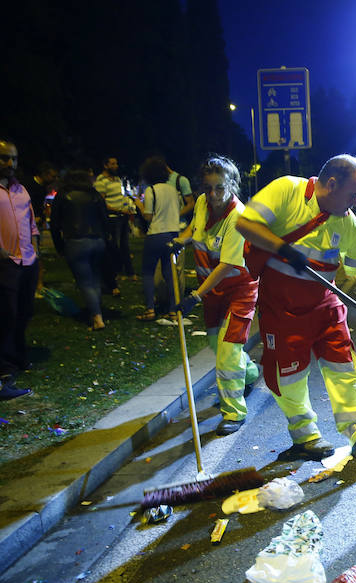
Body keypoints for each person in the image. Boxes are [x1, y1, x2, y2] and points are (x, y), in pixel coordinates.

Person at [236, 154, 356, 461]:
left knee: (344, 365)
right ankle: (305, 436)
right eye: (354, 195)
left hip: (324, 304)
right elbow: (245, 223)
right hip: (281, 308)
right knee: (288, 376)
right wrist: (282, 249)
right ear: (331, 183)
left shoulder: (347, 223)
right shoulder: (286, 191)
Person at [171, 156, 259, 435]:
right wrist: (177, 241)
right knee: (215, 343)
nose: (213, 195)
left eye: (219, 188)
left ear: (232, 186)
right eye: (208, 188)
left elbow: (225, 266)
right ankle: (251, 373)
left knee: (228, 350)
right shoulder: (201, 203)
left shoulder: (238, 218)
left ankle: (233, 412)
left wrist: (194, 296)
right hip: (212, 291)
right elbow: (194, 230)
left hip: (238, 291)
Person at [0, 138, 38, 399]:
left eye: (13, 158)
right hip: (5, 262)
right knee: (6, 315)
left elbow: (32, 222)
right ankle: (4, 367)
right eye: (4, 158)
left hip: (27, 260)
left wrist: (35, 248)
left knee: (24, 312)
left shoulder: (21, 190)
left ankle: (18, 356)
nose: (10, 163)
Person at [50, 168, 109, 330]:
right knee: (95, 278)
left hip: (76, 241)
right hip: (97, 240)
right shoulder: (94, 194)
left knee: (85, 282)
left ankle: (97, 317)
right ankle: (97, 310)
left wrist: (59, 246)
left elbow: (54, 224)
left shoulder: (63, 195)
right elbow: (105, 218)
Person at [134, 156, 182, 321]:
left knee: (148, 271)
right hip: (173, 234)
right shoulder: (173, 190)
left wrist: (139, 205)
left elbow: (148, 216)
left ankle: (150, 309)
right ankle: (173, 310)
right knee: (170, 273)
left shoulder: (151, 190)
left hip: (156, 234)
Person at [94, 156, 136, 288]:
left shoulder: (117, 179)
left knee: (125, 245)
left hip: (122, 216)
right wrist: (118, 210)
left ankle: (129, 272)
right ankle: (115, 273)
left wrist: (125, 208)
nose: (115, 166)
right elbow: (101, 203)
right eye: (112, 164)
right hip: (112, 218)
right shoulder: (100, 181)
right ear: (105, 165)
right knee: (114, 246)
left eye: (116, 163)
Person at [23, 162, 58, 297]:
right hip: (29, 224)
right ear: (45, 174)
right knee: (35, 255)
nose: (55, 179)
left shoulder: (42, 187)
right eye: (53, 176)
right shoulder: (28, 185)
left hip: (35, 224)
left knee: (37, 253)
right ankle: (37, 285)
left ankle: (37, 284)